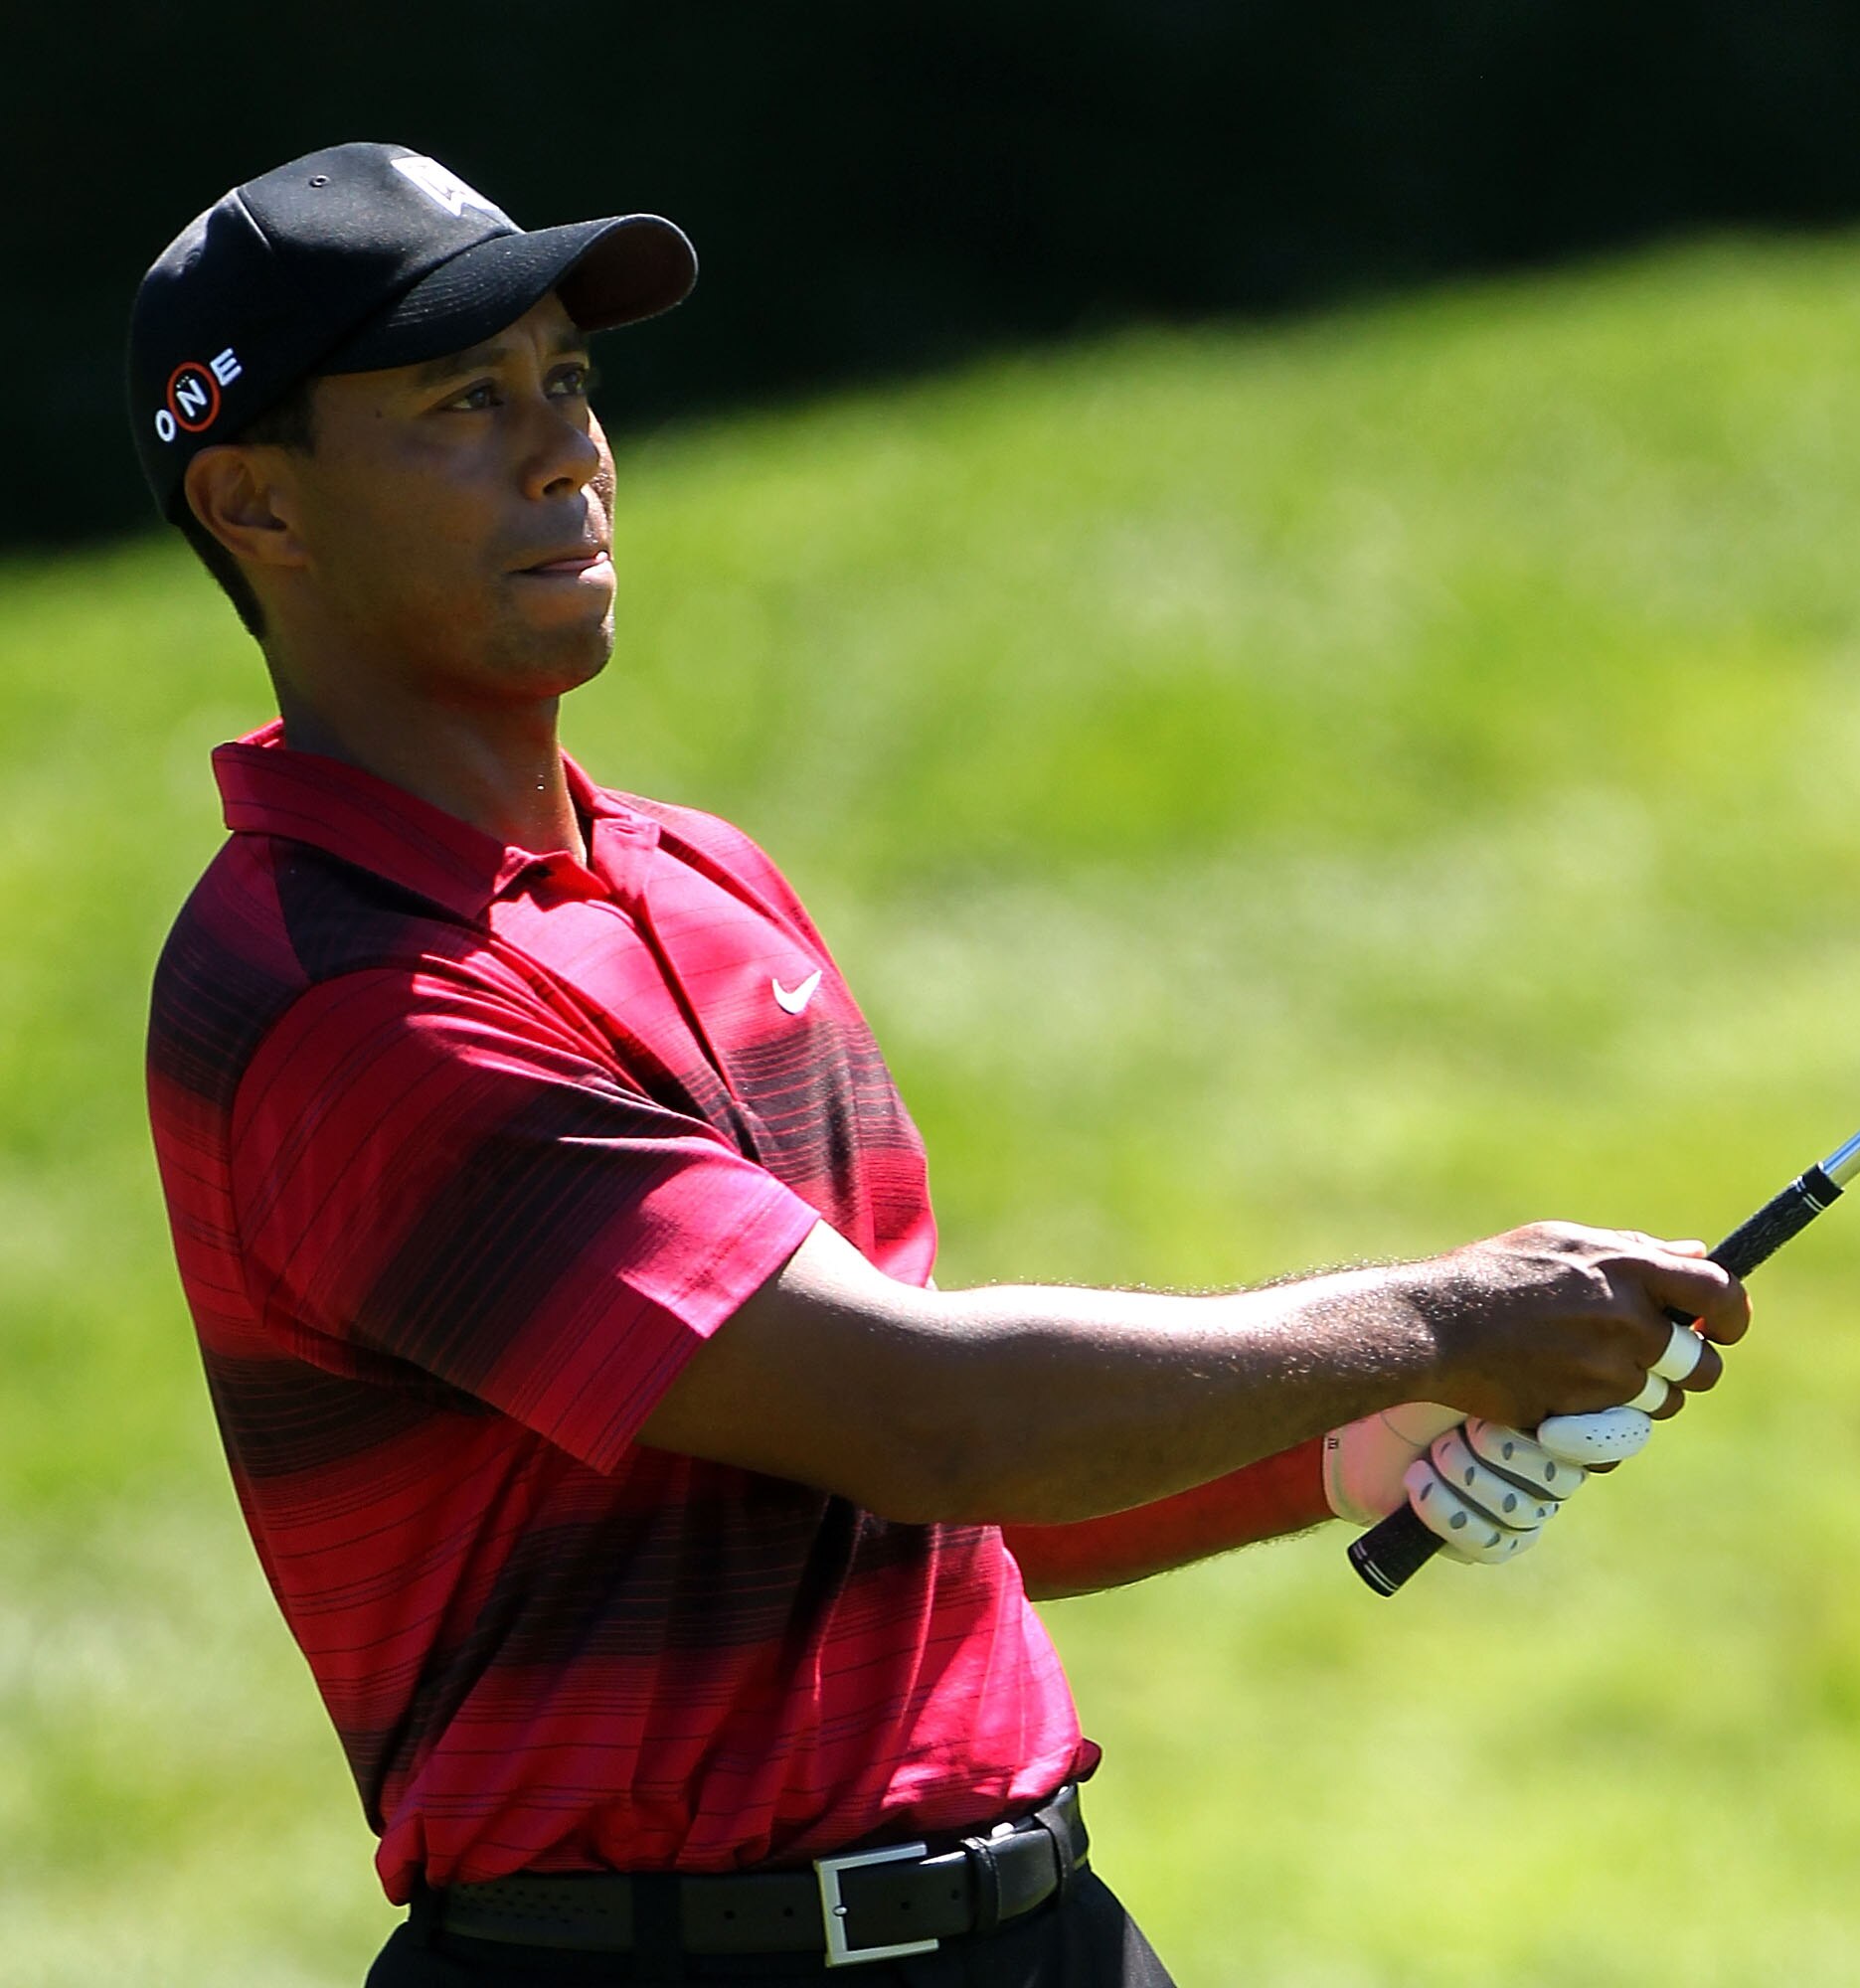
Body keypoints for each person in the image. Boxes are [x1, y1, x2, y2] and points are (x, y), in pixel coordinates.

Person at [134, 144, 1749, 1987]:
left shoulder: (698, 880)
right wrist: (1441, 1323)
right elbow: (928, 1413)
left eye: (569, 381)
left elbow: (894, 1491)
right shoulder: (341, 996)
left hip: (1037, 1931)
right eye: (463, 401)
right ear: (257, 502)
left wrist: (1333, 1452)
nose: (564, 449)